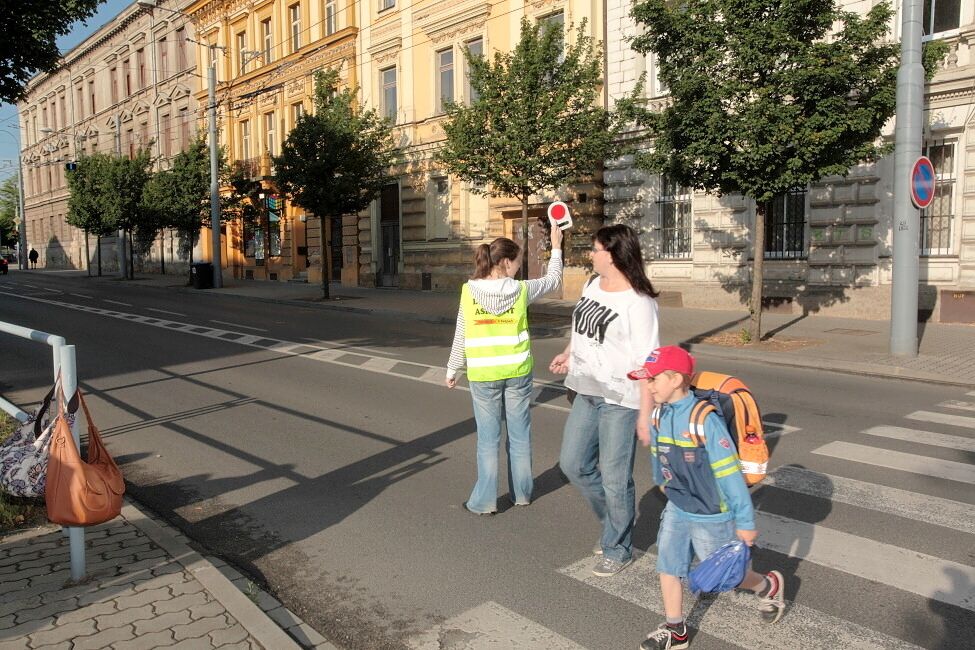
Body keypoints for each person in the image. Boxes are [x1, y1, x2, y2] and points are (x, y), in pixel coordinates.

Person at [629, 346, 786, 649]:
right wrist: (662, 483)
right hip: (678, 506)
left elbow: (729, 474)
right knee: (668, 565)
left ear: (676, 379)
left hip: (711, 512)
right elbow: (658, 455)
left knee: (727, 578)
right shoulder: (659, 415)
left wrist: (745, 521)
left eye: (653, 379)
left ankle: (768, 584)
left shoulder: (704, 420)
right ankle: (675, 630)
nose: (648, 387)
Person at [550, 223, 659, 576]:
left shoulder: (639, 303)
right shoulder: (592, 284)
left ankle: (618, 547)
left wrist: (644, 414)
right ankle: (614, 523)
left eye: (595, 249)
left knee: (615, 477)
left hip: (621, 399)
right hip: (586, 389)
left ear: (612, 254)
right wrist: (568, 353)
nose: (591, 255)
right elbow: (583, 329)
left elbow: (648, 363)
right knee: (573, 464)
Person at [446, 223, 564, 514]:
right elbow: (554, 280)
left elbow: (462, 332)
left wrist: (453, 368)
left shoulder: (469, 291)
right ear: (506, 262)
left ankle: (484, 502)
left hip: (484, 375)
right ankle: (522, 494)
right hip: (517, 372)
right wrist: (557, 246)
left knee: (488, 441)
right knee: (520, 435)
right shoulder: (521, 290)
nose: (519, 268)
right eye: (518, 262)